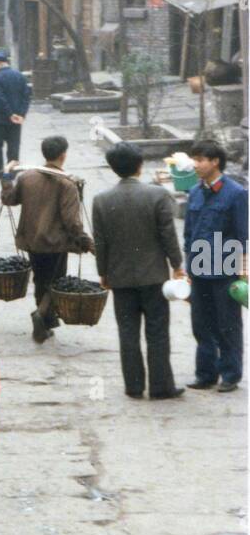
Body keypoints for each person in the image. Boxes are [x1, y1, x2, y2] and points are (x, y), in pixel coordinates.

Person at [92, 142, 186, 400]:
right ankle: (161, 386)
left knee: (127, 332)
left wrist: (103, 272)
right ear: (140, 165)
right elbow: (168, 236)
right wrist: (177, 265)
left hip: (120, 277)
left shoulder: (101, 200)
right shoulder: (156, 196)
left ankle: (133, 386)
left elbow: (100, 241)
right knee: (157, 332)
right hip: (153, 276)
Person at [2, 135, 93, 343]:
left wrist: (7, 176)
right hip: (55, 243)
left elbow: (9, 199)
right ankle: (41, 315)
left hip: (32, 241)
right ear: (63, 155)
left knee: (40, 279)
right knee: (56, 282)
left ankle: (45, 326)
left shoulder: (27, 177)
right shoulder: (67, 184)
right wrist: (85, 241)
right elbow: (72, 222)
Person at [183, 138, 248, 392]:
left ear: (215, 162)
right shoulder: (195, 192)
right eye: (194, 159)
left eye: (200, 160)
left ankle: (230, 374)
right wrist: (186, 267)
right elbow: (189, 233)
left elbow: (243, 234)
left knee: (227, 324)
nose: (195, 164)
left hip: (225, 267)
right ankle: (206, 374)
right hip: (199, 267)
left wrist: (243, 269)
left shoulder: (236, 194)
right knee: (201, 323)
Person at [0, 51, 31, 178]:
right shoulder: (20, 76)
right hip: (17, 119)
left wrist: (9, 113)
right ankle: (12, 170)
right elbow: (26, 97)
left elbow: (0, 98)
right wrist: (21, 114)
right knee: (14, 145)